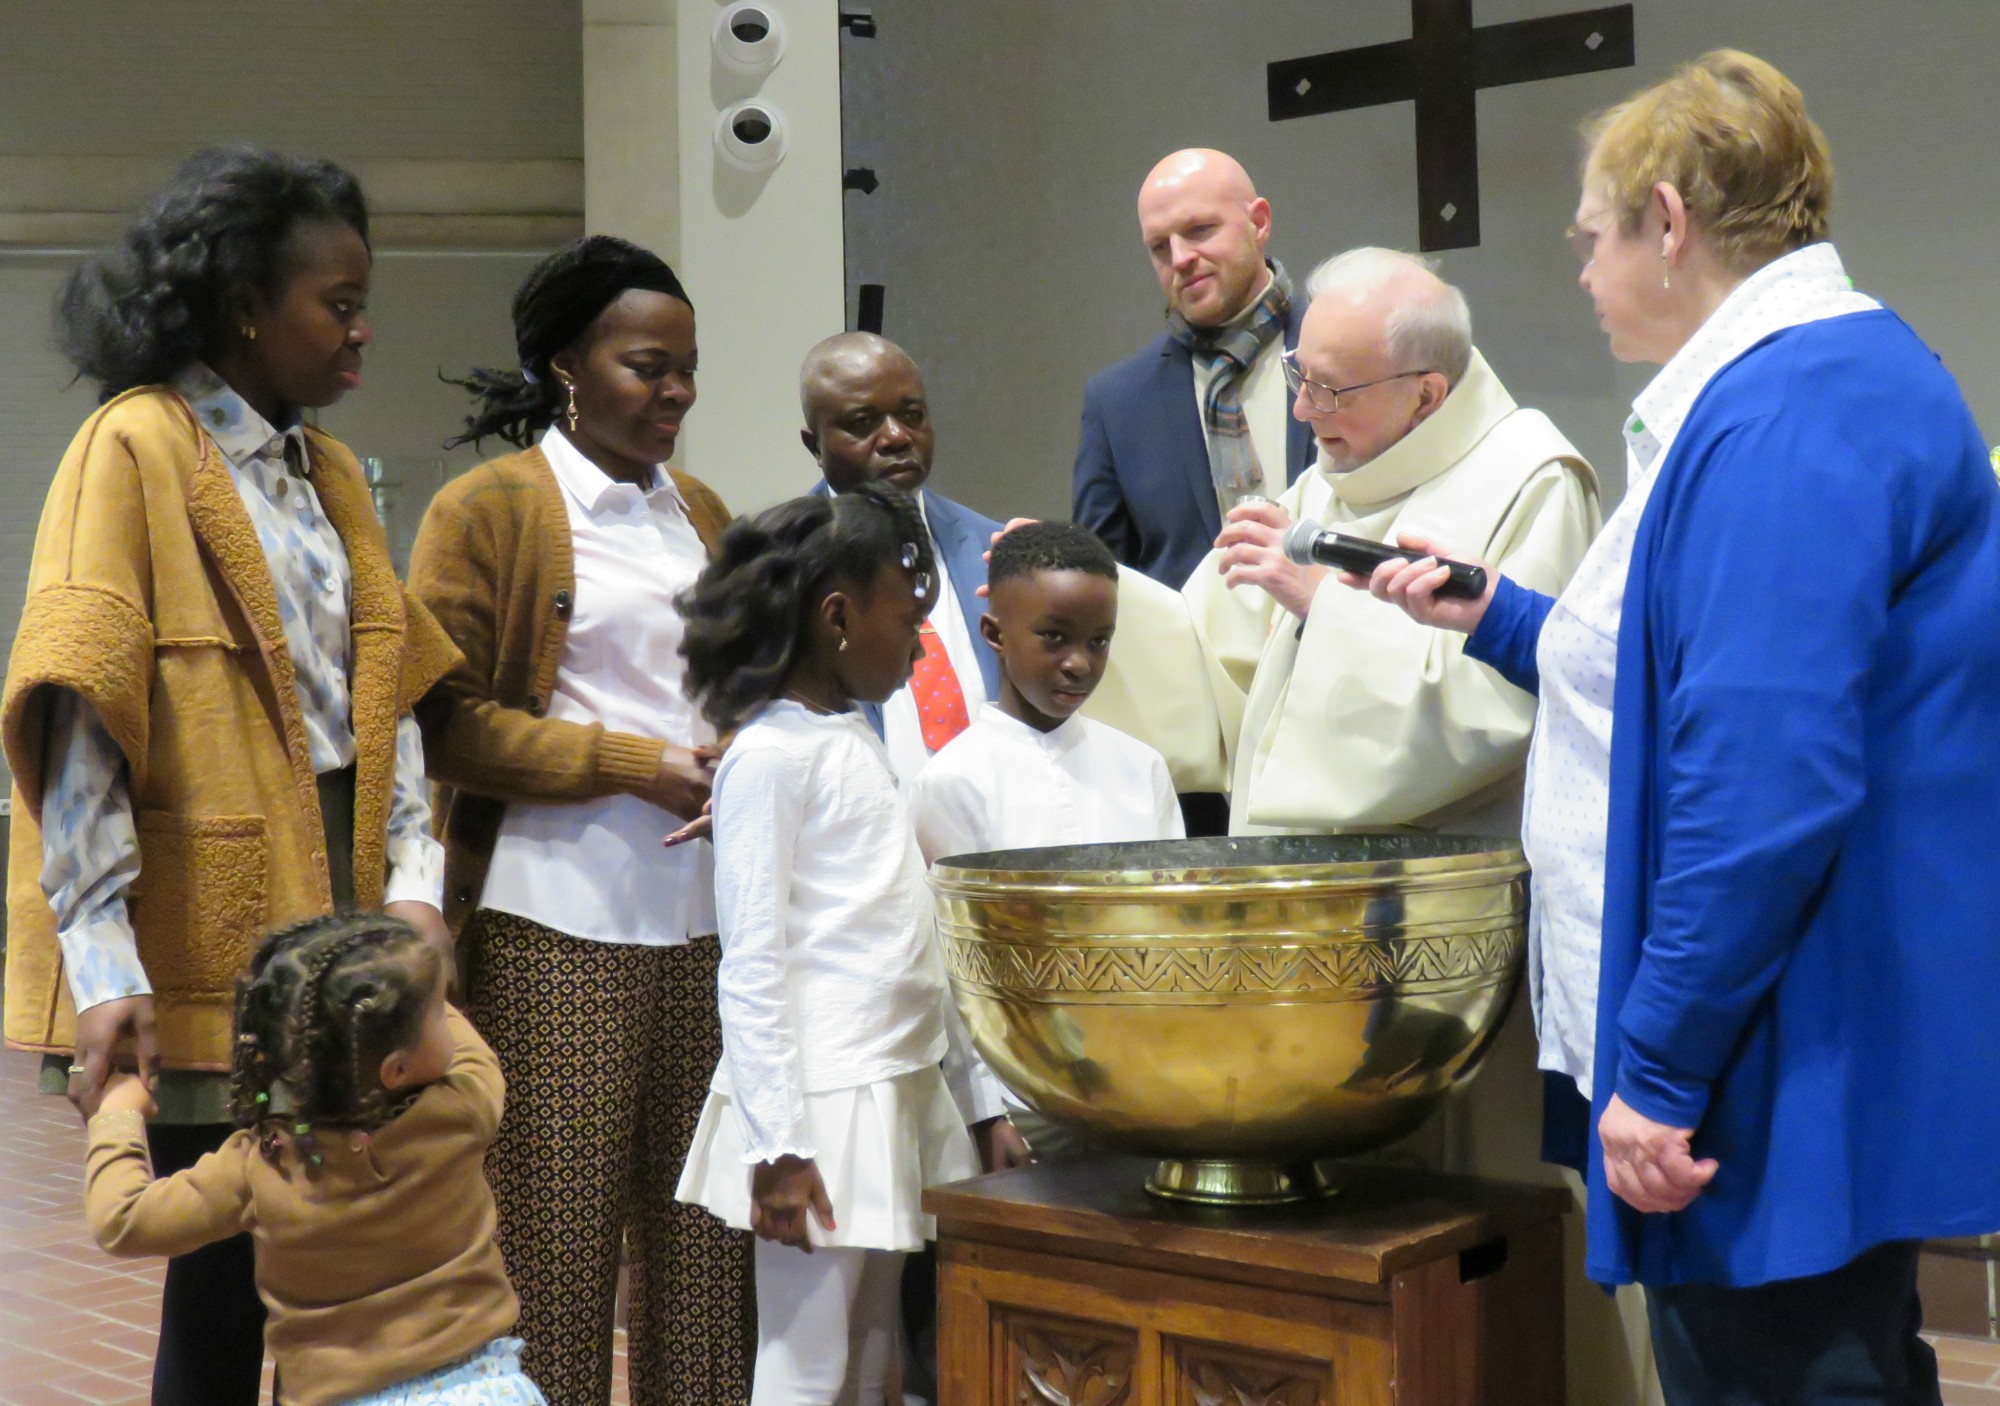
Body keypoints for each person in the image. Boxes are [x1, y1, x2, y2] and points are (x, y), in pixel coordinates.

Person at [1359, 51, 2000, 1406]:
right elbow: (1679, 676)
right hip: (1804, 1014)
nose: (1585, 277)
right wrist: (1499, 615)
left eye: (1592, 240)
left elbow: (1763, 775)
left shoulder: (1787, 411)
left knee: (1785, 1373)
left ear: (1668, 218)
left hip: (1779, 1041)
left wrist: (1658, 1066)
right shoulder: (1818, 380)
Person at [2, 147, 458, 1406]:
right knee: (215, 1277)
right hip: (208, 928)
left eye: (366, 301)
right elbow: (83, 709)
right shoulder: (134, 446)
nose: (363, 332)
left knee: (305, 1259)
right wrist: (103, 965)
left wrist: (416, 883)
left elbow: (390, 698)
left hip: (336, 913)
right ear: (248, 302)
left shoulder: (335, 475)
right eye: (339, 303)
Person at [408, 235, 751, 1406]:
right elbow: (445, 724)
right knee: (554, 1251)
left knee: (708, 1249)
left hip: (706, 928)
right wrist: (630, 763)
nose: (675, 393)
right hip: (555, 927)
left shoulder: (695, 509)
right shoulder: (491, 506)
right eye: (648, 365)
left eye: (687, 369)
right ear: (565, 364)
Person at [673, 484, 1008, 1406]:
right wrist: (778, 1143)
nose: (919, 641)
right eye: (907, 618)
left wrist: (969, 1093)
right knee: (806, 1360)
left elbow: (895, 925)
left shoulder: (844, 740)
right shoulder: (770, 755)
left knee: (874, 1358)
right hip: (819, 1103)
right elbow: (751, 965)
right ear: (836, 617)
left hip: (888, 1081)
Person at [1088, 247, 1600, 837]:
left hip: (1441, 891)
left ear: (1426, 395)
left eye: (1328, 389)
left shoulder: (1532, 479)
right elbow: (1207, 667)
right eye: (1297, 374)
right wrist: (1091, 592)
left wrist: (1322, 606)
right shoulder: (1328, 481)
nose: (1303, 409)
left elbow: (1502, 707)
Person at [83, 913, 539, 1406]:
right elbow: (476, 1056)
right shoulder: (461, 1109)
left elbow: (122, 1219)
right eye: (435, 1011)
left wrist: (116, 1115)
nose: (447, 1014)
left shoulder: (265, 1162)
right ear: (397, 1068)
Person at [909, 520, 1182, 1160]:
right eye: (1054, 637)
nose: (1079, 662)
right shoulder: (953, 780)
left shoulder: (1141, 767)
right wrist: (985, 1111)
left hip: (1142, 1084)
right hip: (1018, 1101)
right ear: (995, 635)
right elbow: (952, 970)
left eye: (1099, 640)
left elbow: (1172, 925)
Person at [1073, 149, 1316, 590]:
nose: (1180, 258)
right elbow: (1101, 588)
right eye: (1159, 247)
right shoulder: (1118, 403)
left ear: (1259, 223)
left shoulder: (1353, 350)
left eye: (1199, 230)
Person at [799, 332, 1002, 784]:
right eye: (862, 422)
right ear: (814, 445)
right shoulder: (785, 568)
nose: (895, 437)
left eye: (912, 416)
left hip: (994, 836)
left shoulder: (996, 546)